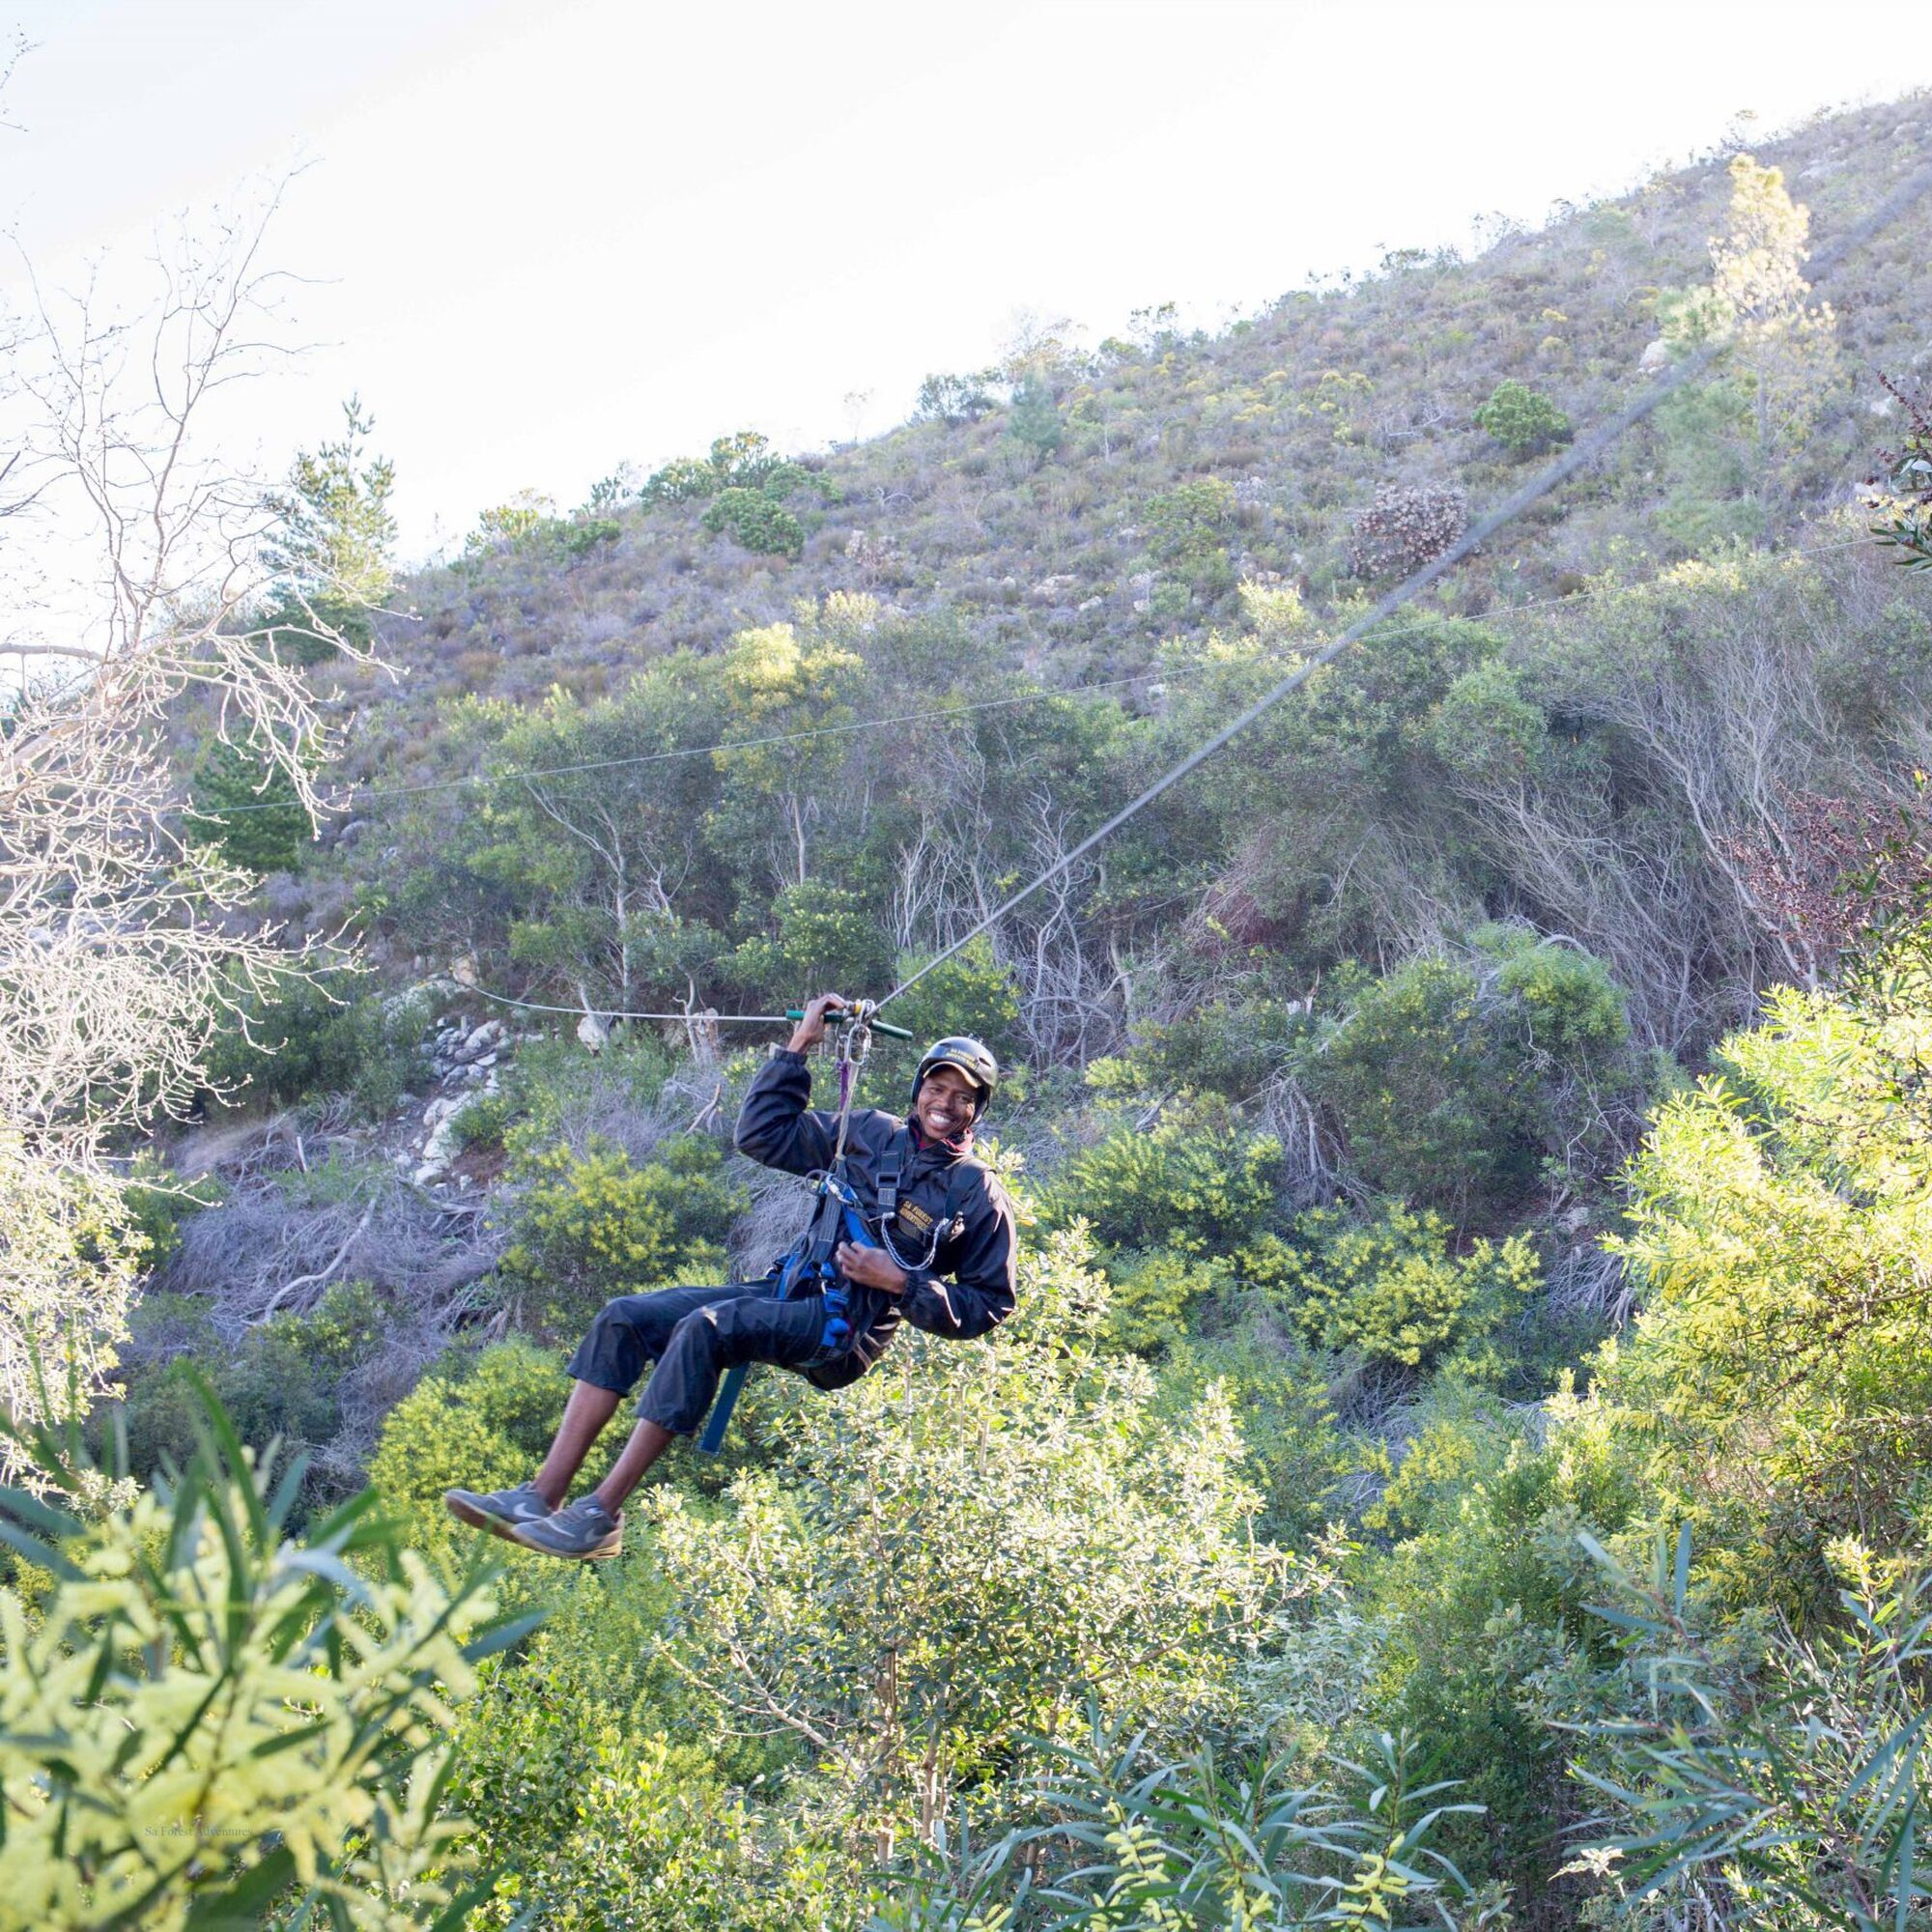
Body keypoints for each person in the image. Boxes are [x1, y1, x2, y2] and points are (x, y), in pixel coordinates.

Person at [442, 993, 1017, 1560]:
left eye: (963, 1097)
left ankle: (600, 1516)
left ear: (978, 1109)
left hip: (845, 1330)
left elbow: (990, 1302)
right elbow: (763, 1135)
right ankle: (541, 1495)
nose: (945, 1104)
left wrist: (900, 1283)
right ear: (919, 1088)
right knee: (625, 1318)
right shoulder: (869, 1133)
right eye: (937, 1088)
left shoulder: (975, 1191)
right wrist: (799, 1046)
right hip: (788, 1290)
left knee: (708, 1326)